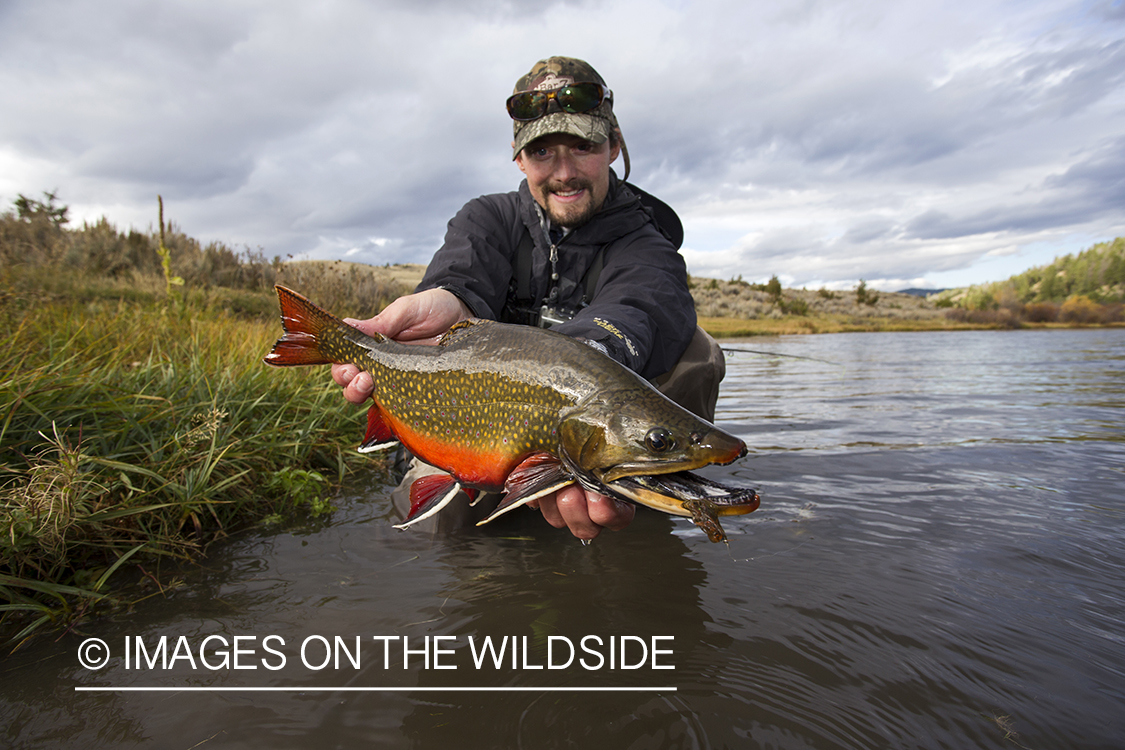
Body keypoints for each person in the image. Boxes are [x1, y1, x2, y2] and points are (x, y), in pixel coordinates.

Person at [332, 56, 725, 541]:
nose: (564, 172)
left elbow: (639, 307)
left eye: (582, 146)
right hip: (477, 426)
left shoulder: (648, 241)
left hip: (594, 431)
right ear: (519, 158)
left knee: (699, 350)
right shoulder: (487, 219)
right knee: (435, 528)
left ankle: (641, 492)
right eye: (542, 153)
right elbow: (462, 276)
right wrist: (450, 299)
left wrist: (588, 367)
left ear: (614, 145)